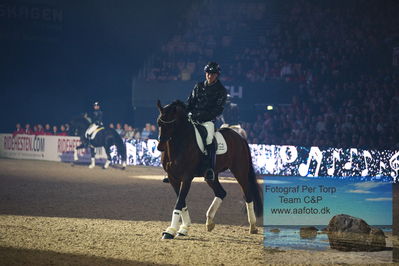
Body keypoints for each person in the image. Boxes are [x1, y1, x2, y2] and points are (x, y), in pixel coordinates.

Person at [186, 62, 227, 180]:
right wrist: (187, 112)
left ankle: (209, 168)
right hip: (193, 118)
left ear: (217, 75)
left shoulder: (221, 90)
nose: (209, 76)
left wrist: (202, 115)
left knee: (209, 138)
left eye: (212, 74)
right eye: (208, 73)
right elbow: (190, 102)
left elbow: (218, 110)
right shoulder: (198, 86)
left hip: (208, 121)